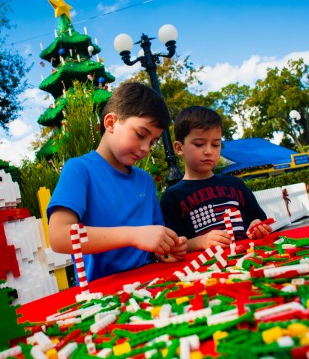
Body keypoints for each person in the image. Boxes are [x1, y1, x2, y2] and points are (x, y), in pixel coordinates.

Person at [47, 82, 187, 282]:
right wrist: (133, 236)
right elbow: (59, 237)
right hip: (102, 297)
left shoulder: (145, 180)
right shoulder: (79, 169)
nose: (146, 148)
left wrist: (167, 248)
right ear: (111, 123)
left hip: (153, 284)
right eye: (141, 134)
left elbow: (156, 240)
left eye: (153, 142)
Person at [160, 106, 271, 253]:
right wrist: (200, 242)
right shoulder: (172, 197)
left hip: (249, 260)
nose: (209, 151)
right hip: (206, 270)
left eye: (215, 144)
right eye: (199, 144)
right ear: (179, 148)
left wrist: (257, 227)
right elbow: (174, 246)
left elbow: (258, 220)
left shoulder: (237, 185)